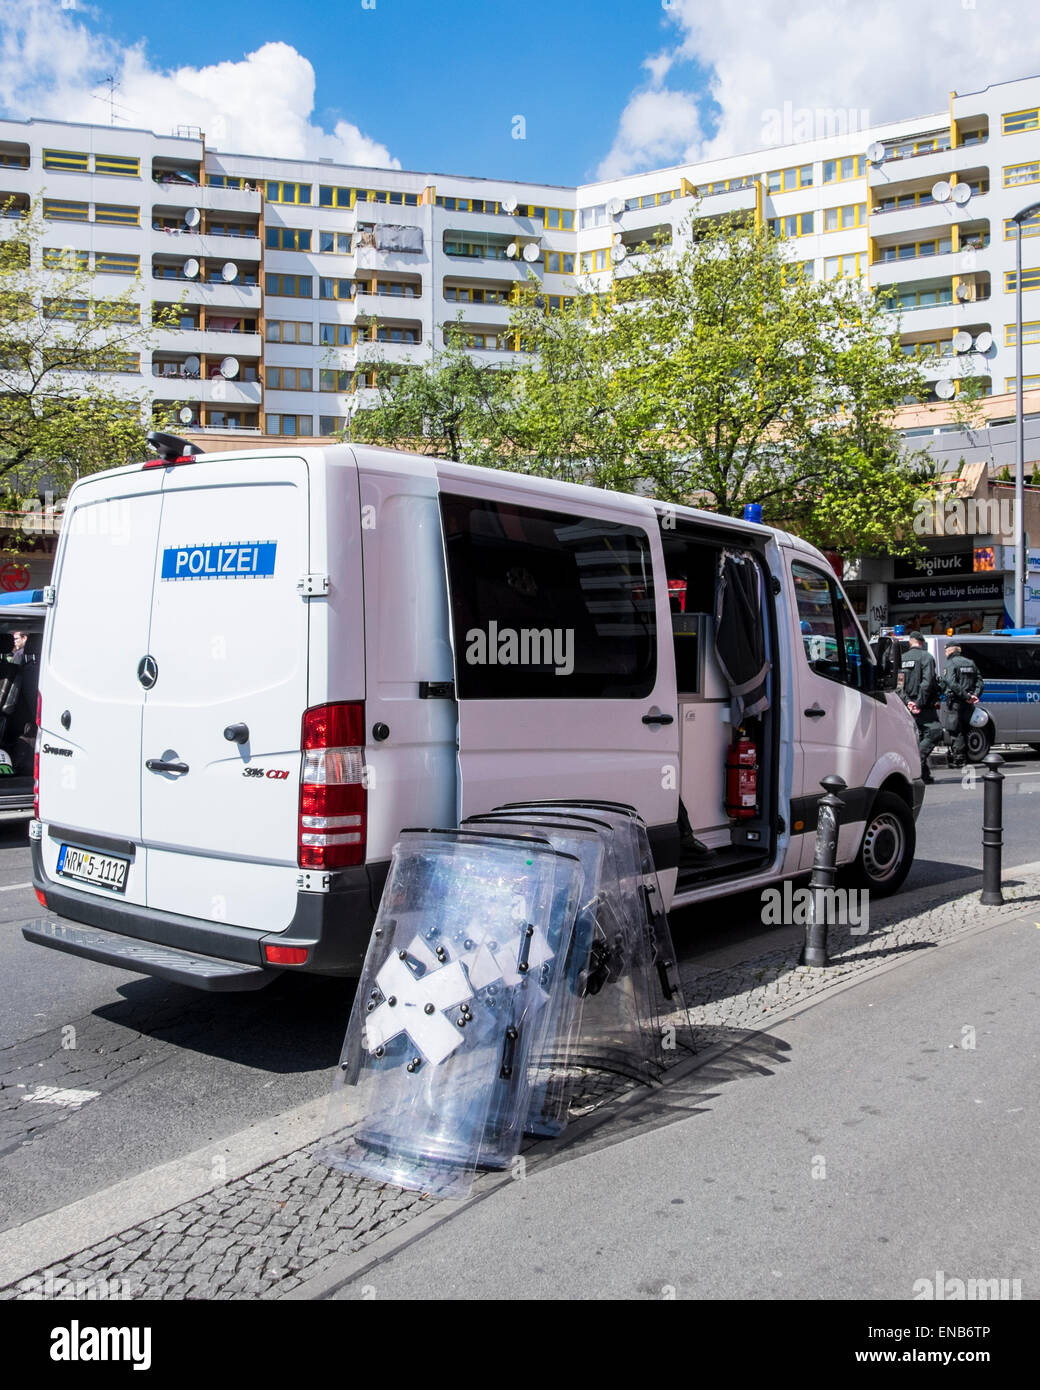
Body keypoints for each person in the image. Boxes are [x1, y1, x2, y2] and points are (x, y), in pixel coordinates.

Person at [897, 631, 943, 783]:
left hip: (907, 706)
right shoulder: (926, 657)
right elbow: (927, 682)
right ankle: (916, 762)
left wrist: (908, 702)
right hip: (923, 706)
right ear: (921, 643)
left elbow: (899, 685)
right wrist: (918, 703)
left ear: (910, 643)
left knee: (919, 737)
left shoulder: (902, 659)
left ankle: (923, 775)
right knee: (935, 732)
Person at [939, 643, 984, 768]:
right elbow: (980, 681)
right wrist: (974, 695)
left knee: (956, 730)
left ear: (950, 651)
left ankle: (959, 759)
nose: (945, 654)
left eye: (946, 651)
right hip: (968, 704)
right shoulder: (971, 662)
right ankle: (965, 756)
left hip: (956, 702)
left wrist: (965, 696)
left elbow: (950, 682)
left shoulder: (951, 663)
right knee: (966, 729)